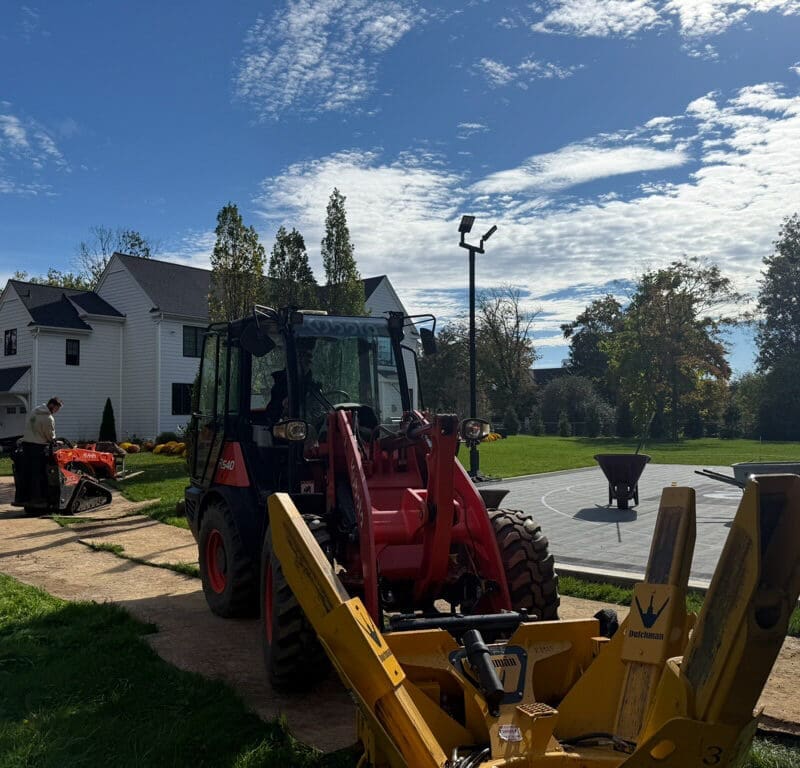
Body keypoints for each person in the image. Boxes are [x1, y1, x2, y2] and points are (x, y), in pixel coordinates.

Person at [17, 397, 62, 505]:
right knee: (39, 473)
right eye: (57, 408)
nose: (57, 411)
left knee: (28, 472)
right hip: (38, 448)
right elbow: (50, 436)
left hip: (26, 445)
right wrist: (55, 441)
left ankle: (24, 497)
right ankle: (38, 498)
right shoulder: (48, 418)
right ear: (52, 405)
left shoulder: (35, 411)